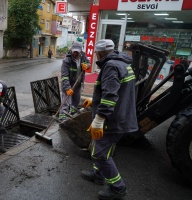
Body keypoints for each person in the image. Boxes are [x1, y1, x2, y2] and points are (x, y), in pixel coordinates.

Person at [81, 39, 138, 200]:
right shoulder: (122, 63)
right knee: (100, 146)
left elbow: (110, 95)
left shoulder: (111, 66)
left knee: (99, 153)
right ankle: (98, 174)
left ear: (98, 53)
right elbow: (118, 91)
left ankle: (117, 188)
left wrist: (99, 119)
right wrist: (94, 102)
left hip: (113, 119)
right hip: (121, 114)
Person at [58, 42, 91, 122]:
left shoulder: (83, 56)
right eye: (74, 51)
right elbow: (64, 76)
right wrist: (67, 88)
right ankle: (62, 117)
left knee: (76, 100)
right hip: (68, 84)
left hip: (78, 83)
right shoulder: (67, 60)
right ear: (71, 50)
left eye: (77, 51)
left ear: (80, 51)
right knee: (66, 102)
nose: (75, 53)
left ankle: (72, 114)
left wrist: (87, 66)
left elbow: (88, 63)